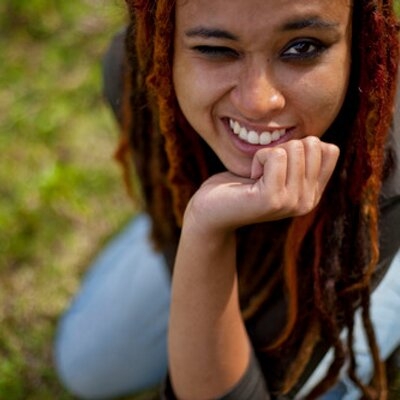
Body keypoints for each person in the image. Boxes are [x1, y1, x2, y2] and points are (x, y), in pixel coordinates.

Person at [54, 0, 400, 399]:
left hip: (362, 231)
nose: (258, 102)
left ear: (358, 40)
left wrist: (206, 229)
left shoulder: (382, 181)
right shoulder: (142, 70)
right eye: (215, 49)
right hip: (233, 235)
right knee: (89, 367)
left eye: (302, 47)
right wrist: (203, 225)